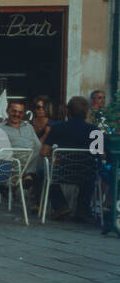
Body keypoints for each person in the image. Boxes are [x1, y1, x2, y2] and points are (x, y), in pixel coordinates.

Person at [41, 95, 98, 223]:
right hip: (85, 174)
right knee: (93, 173)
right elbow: (100, 155)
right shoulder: (95, 131)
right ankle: (82, 210)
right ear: (86, 112)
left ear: (67, 110)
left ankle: (61, 205)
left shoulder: (57, 128)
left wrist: (54, 154)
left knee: (43, 171)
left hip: (62, 172)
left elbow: (43, 152)